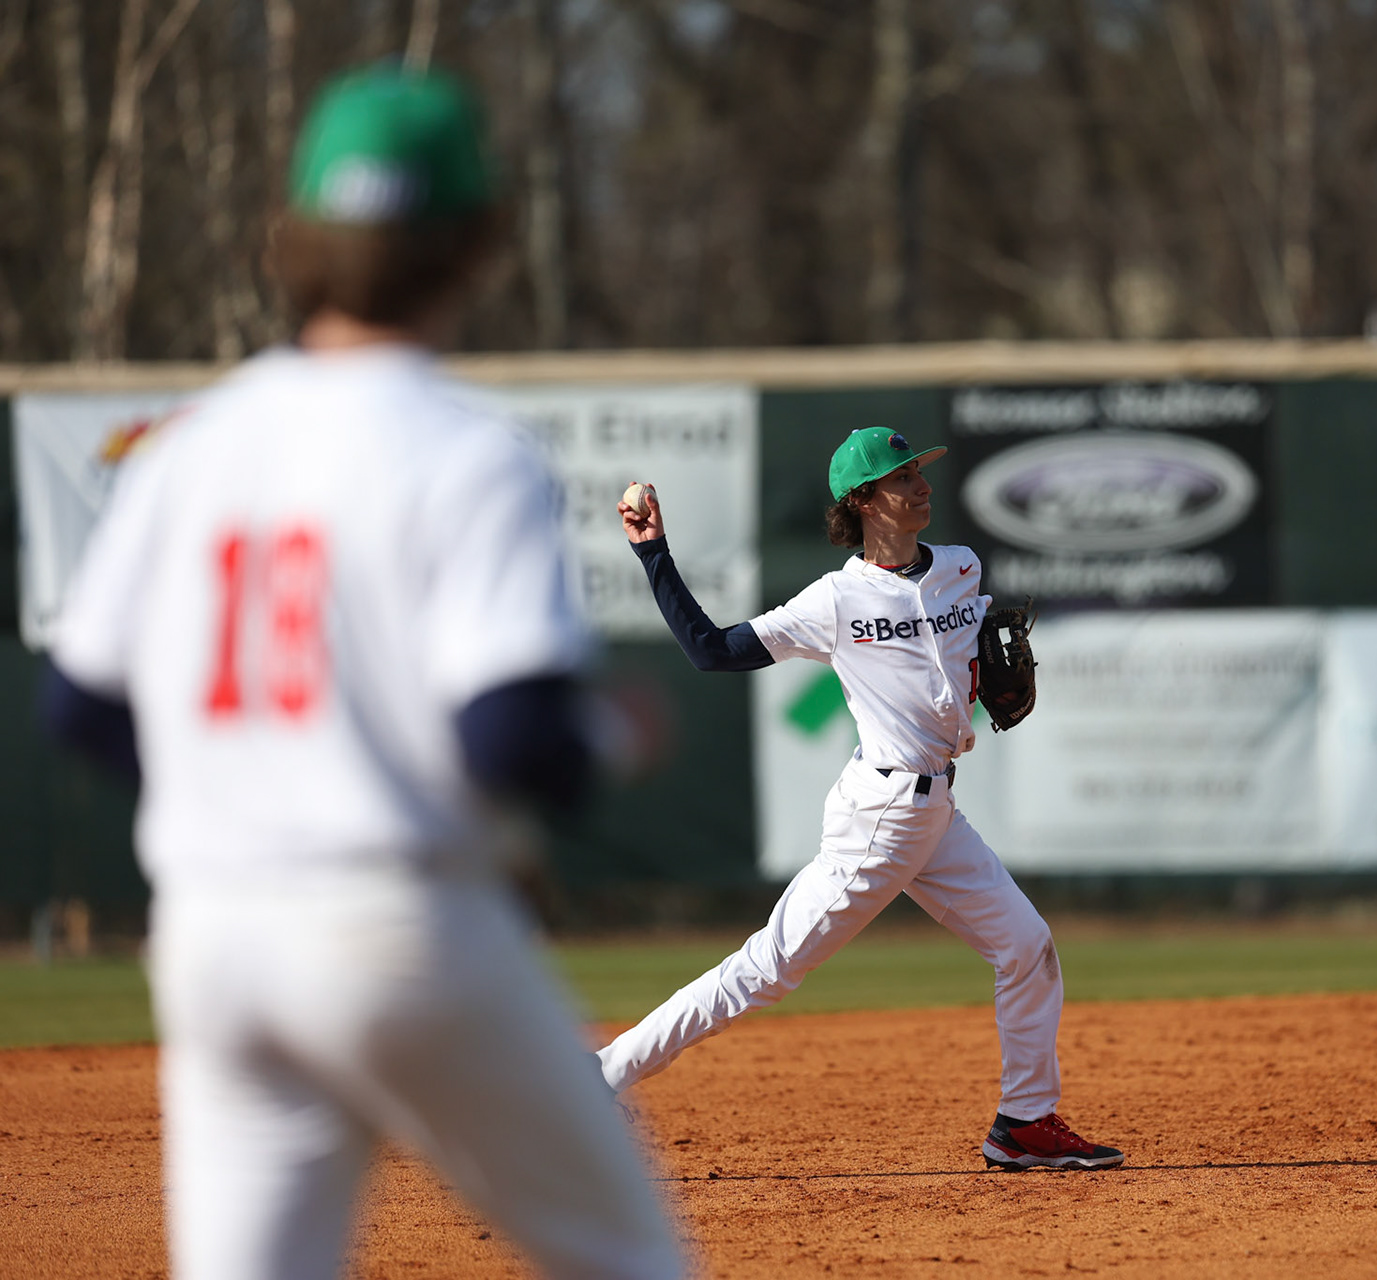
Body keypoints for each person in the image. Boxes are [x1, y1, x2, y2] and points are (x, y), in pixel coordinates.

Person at [42, 66, 683, 1279]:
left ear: (294, 240)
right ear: (479, 243)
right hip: (399, 926)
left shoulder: (196, 441)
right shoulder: (463, 447)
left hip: (213, 935)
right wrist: (615, 739)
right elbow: (514, 743)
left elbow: (77, 702)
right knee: (628, 1259)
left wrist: (242, 786)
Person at [596, 427, 1124, 1171]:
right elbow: (710, 651)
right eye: (901, 477)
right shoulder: (836, 599)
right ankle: (603, 1076)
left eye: (918, 472)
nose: (920, 485)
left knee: (1026, 946)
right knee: (763, 973)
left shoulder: (963, 569)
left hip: (935, 812)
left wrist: (985, 670)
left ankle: (1024, 1122)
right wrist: (654, 553)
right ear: (863, 501)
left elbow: (966, 660)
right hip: (881, 816)